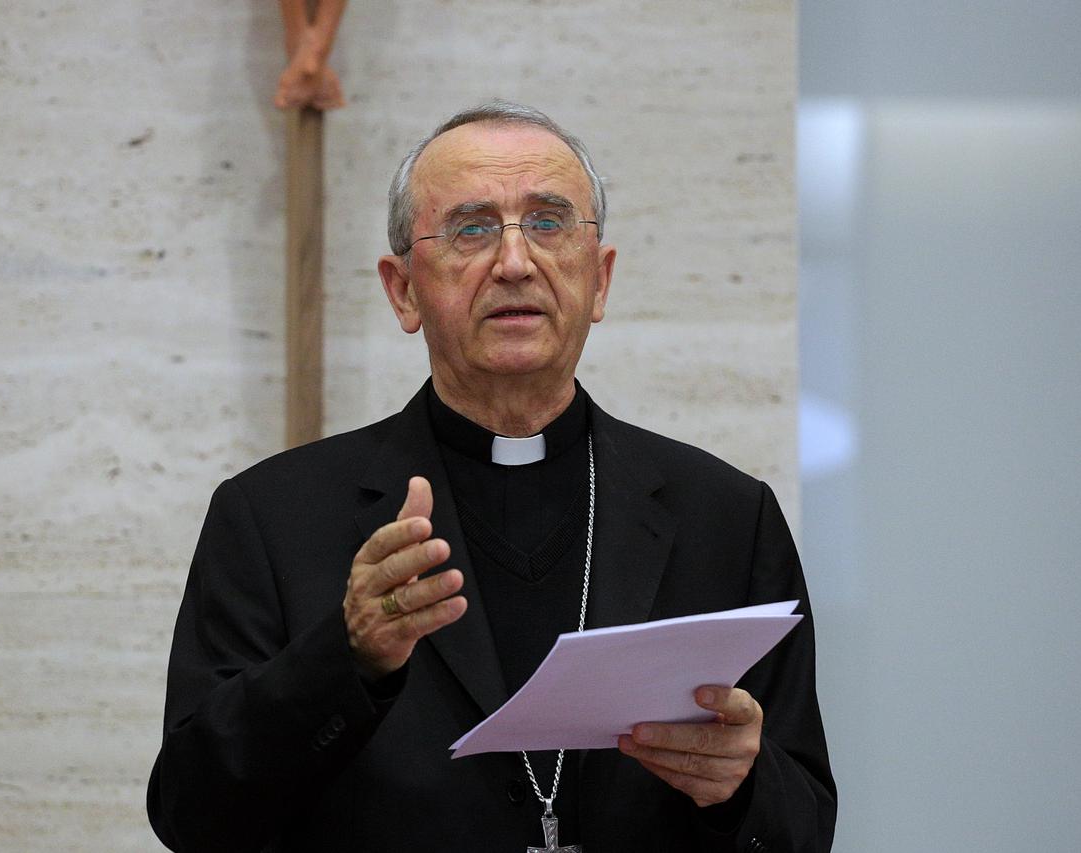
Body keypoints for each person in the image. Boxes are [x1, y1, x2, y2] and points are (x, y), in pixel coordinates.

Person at [147, 101, 835, 852]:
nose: (514, 261)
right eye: (473, 228)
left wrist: (740, 783)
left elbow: (804, 827)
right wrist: (346, 658)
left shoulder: (728, 519)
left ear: (599, 280)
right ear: (402, 289)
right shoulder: (271, 517)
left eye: (548, 223)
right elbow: (192, 812)